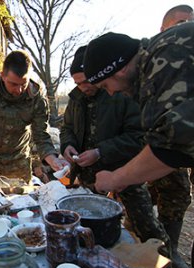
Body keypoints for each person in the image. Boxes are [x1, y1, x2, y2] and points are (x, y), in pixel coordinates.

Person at [83, 20, 194, 268]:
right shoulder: (155, 58)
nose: (112, 92)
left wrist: (115, 178)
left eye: (107, 84)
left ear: (120, 68)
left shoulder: (164, 60)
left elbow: (172, 149)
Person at [60, 46, 170, 250]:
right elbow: (67, 128)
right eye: (77, 83)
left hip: (125, 174)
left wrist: (100, 152)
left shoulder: (120, 92)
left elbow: (139, 136)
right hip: (89, 179)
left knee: (148, 230)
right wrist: (68, 145)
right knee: (91, 232)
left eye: (86, 81)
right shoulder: (76, 99)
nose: (83, 87)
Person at [144, 4, 194, 268]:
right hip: (147, 151)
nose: (186, 27)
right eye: (179, 23)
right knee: (142, 204)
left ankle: (171, 251)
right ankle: (150, 252)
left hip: (179, 153)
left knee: (176, 197)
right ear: (162, 30)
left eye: (191, 21)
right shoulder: (155, 59)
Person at [0, 50, 68, 188]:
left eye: (23, 84)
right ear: (2, 76)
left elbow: (41, 135)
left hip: (20, 162)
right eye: (13, 84)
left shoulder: (37, 98)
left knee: (22, 205)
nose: (19, 90)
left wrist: (53, 160)